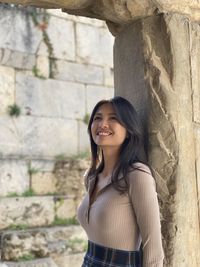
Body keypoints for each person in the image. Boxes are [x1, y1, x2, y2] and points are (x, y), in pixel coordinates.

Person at [77, 96, 164, 267]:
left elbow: (153, 249)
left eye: (113, 118)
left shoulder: (137, 175)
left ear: (129, 130)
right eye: (98, 118)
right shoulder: (91, 177)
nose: (103, 124)